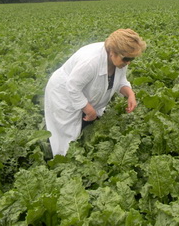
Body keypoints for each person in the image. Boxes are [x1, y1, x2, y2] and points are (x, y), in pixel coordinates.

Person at [44, 28, 146, 156]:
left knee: (89, 125)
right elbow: (72, 87)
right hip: (63, 91)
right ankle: (63, 163)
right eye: (126, 59)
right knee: (67, 135)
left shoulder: (119, 61)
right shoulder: (91, 62)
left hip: (80, 88)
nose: (128, 62)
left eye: (132, 59)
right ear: (112, 52)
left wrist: (130, 94)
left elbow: (120, 81)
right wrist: (88, 109)